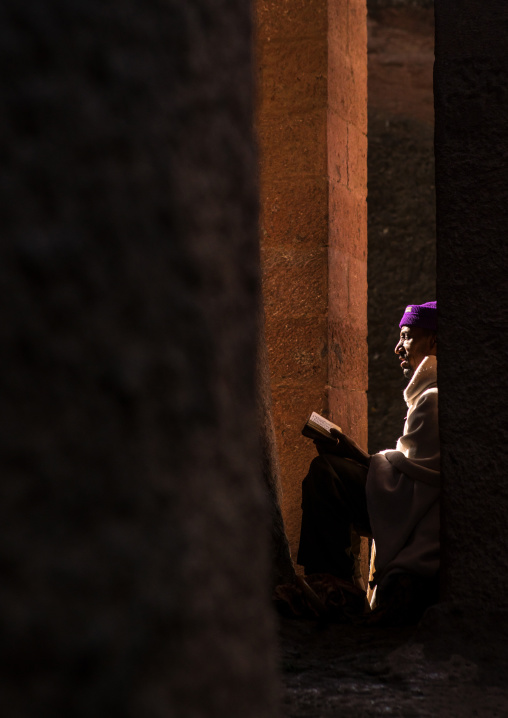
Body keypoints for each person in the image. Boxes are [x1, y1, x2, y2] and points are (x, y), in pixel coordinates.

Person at [296, 301, 439, 624]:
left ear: (434, 342)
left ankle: (335, 589)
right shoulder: (428, 395)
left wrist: (351, 451)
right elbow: (410, 469)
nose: (397, 347)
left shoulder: (433, 400)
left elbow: (410, 484)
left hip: (410, 508)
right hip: (404, 500)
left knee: (327, 472)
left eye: (406, 336)